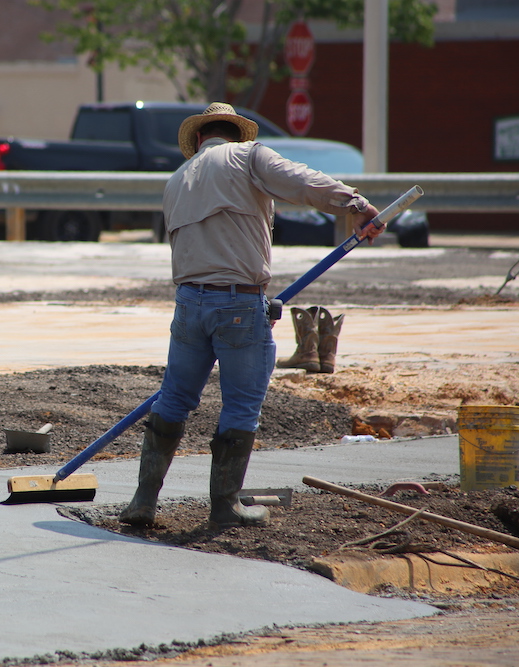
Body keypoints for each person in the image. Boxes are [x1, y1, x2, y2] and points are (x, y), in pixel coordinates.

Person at [119, 102, 382, 530]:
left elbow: (194, 250)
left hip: (189, 304)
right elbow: (301, 182)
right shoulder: (250, 156)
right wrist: (354, 203)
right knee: (240, 406)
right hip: (239, 304)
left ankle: (143, 501)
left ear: (200, 139)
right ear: (237, 134)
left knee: (174, 400)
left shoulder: (176, 180)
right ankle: (225, 506)